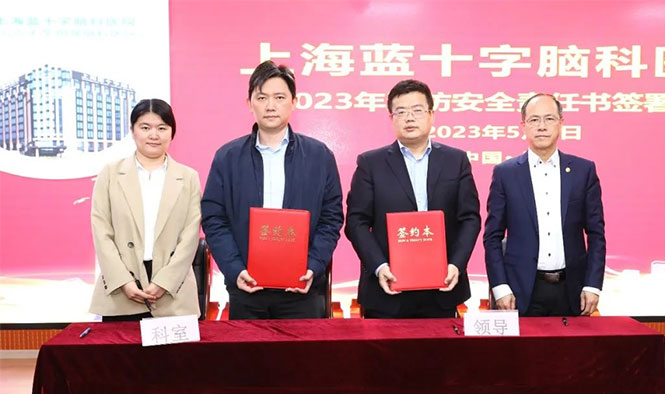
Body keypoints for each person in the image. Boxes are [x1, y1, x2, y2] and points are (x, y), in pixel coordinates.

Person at [201, 60, 343, 319]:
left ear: (294, 102)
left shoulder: (319, 156)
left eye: (279, 97)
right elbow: (214, 218)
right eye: (262, 97)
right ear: (249, 103)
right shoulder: (227, 157)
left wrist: (313, 265)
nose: (270, 105)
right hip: (247, 288)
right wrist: (234, 269)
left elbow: (331, 218)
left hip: (303, 290)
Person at [345, 79, 481, 318]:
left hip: (443, 287)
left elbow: (470, 218)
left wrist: (456, 264)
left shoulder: (456, 160)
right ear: (391, 118)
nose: (409, 118)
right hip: (387, 289)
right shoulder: (370, 163)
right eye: (401, 112)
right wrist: (379, 267)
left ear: (431, 115)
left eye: (417, 110)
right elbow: (356, 222)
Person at [483, 93, 606, 317]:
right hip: (520, 291)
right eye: (534, 120)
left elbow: (596, 234)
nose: (541, 126)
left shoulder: (583, 171)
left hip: (573, 290)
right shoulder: (505, 173)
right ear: (523, 126)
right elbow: (492, 237)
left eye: (549, 119)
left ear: (561, 123)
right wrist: (500, 287)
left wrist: (593, 285)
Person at [89, 99, 201, 321]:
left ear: (172, 133)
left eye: (162, 128)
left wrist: (165, 282)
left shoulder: (188, 177)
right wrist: (123, 281)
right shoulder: (110, 174)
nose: (154, 135)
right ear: (132, 131)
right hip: (122, 291)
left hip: (173, 292)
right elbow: (101, 232)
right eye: (145, 127)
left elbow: (190, 236)